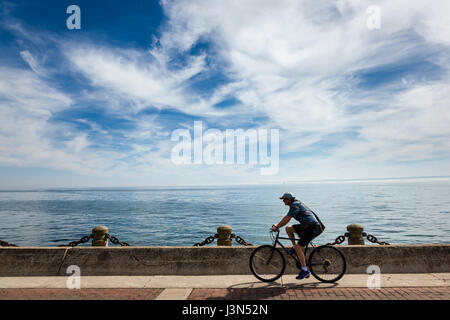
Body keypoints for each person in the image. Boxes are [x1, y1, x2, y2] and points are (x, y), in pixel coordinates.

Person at [271, 192, 322, 280]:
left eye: (284, 199)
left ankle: (305, 270)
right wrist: (278, 225)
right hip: (306, 226)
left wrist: (277, 226)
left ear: (289, 199)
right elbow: (286, 220)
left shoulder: (295, 205)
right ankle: (294, 247)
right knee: (288, 229)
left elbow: (287, 218)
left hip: (312, 228)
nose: (283, 201)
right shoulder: (294, 204)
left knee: (299, 247)